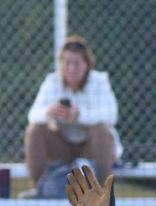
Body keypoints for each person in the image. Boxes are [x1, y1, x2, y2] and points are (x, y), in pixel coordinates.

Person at [24, 35, 121, 193]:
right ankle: (38, 189)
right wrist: (49, 112)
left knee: (101, 130)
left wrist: (79, 116)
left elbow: (111, 114)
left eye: (77, 63)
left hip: (91, 148)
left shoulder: (99, 81)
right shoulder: (51, 82)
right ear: (61, 64)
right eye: (67, 63)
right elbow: (33, 115)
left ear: (87, 64)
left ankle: (103, 194)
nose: (72, 68)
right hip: (62, 149)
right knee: (35, 129)